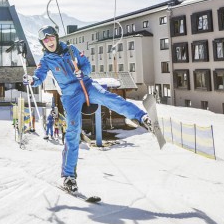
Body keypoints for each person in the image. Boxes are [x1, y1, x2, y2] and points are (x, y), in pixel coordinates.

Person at [23, 25, 152, 192]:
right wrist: (32, 80)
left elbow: (87, 66)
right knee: (73, 130)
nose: (49, 41)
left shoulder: (71, 50)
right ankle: (69, 176)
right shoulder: (46, 60)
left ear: (56, 37)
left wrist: (82, 73)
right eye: (45, 40)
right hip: (70, 96)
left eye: (51, 38)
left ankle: (141, 117)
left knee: (109, 98)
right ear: (43, 43)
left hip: (87, 85)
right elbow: (39, 77)